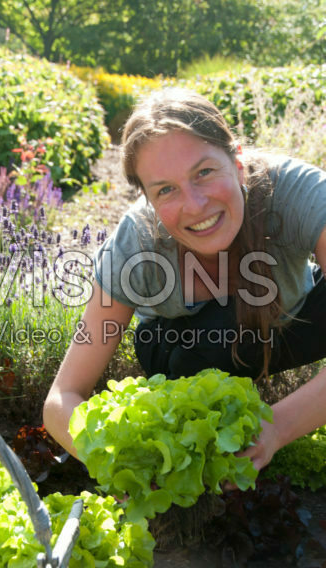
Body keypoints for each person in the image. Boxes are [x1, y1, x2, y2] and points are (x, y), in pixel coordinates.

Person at [43, 87, 326, 477]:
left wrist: (278, 426)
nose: (194, 205)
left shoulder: (295, 191)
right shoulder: (136, 242)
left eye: (204, 172)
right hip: (190, 348)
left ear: (238, 162)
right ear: (148, 199)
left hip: (291, 320)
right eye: (166, 190)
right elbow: (62, 397)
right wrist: (119, 463)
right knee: (213, 341)